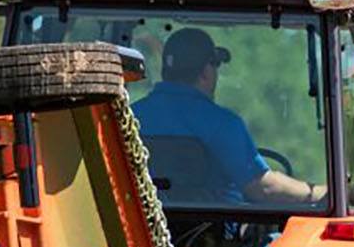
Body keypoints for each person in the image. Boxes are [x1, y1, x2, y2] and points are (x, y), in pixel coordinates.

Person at [133, 27, 324, 206]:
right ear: (207, 72)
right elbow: (263, 188)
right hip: (215, 237)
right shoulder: (221, 124)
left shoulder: (128, 118)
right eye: (215, 66)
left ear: (165, 71)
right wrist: (317, 193)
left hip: (139, 233)